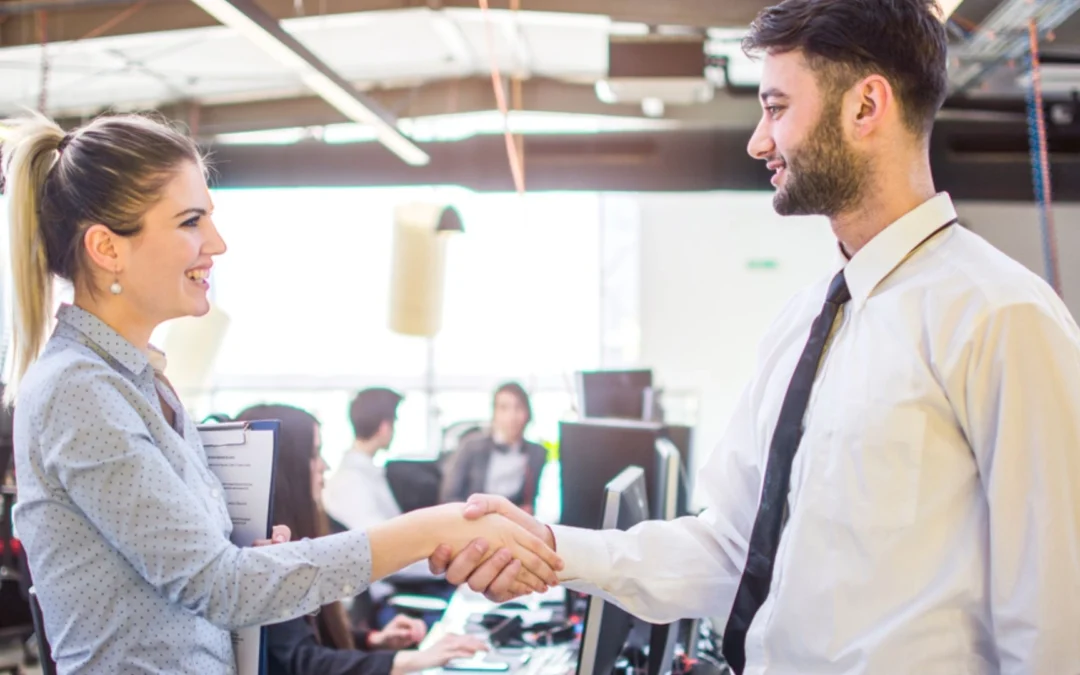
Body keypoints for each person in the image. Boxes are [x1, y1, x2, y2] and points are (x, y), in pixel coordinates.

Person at [429, 0, 1080, 672]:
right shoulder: (802, 321)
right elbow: (730, 548)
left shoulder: (1001, 315)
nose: (758, 142)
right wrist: (549, 546)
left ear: (866, 106)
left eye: (776, 108)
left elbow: (1055, 621)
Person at [1, 112, 561, 674]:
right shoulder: (79, 391)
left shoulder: (140, 383)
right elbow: (219, 588)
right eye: (191, 221)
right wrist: (432, 528)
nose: (216, 243)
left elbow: (192, 578)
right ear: (107, 248)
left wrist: (255, 564)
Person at [235, 404, 486, 675]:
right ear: (286, 465)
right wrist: (413, 660)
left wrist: (372, 639)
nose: (325, 466)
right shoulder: (265, 549)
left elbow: (309, 638)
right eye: (315, 454)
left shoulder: (293, 534)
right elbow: (301, 662)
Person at [439, 383, 546, 513]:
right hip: (472, 517)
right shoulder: (471, 447)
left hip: (512, 520)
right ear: (494, 414)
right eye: (504, 408)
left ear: (528, 414)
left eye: (518, 408)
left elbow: (530, 501)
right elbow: (449, 496)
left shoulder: (536, 453)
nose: (512, 416)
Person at [322, 388, 407, 533]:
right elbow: (380, 536)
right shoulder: (350, 481)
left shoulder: (363, 472)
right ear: (384, 427)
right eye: (395, 422)